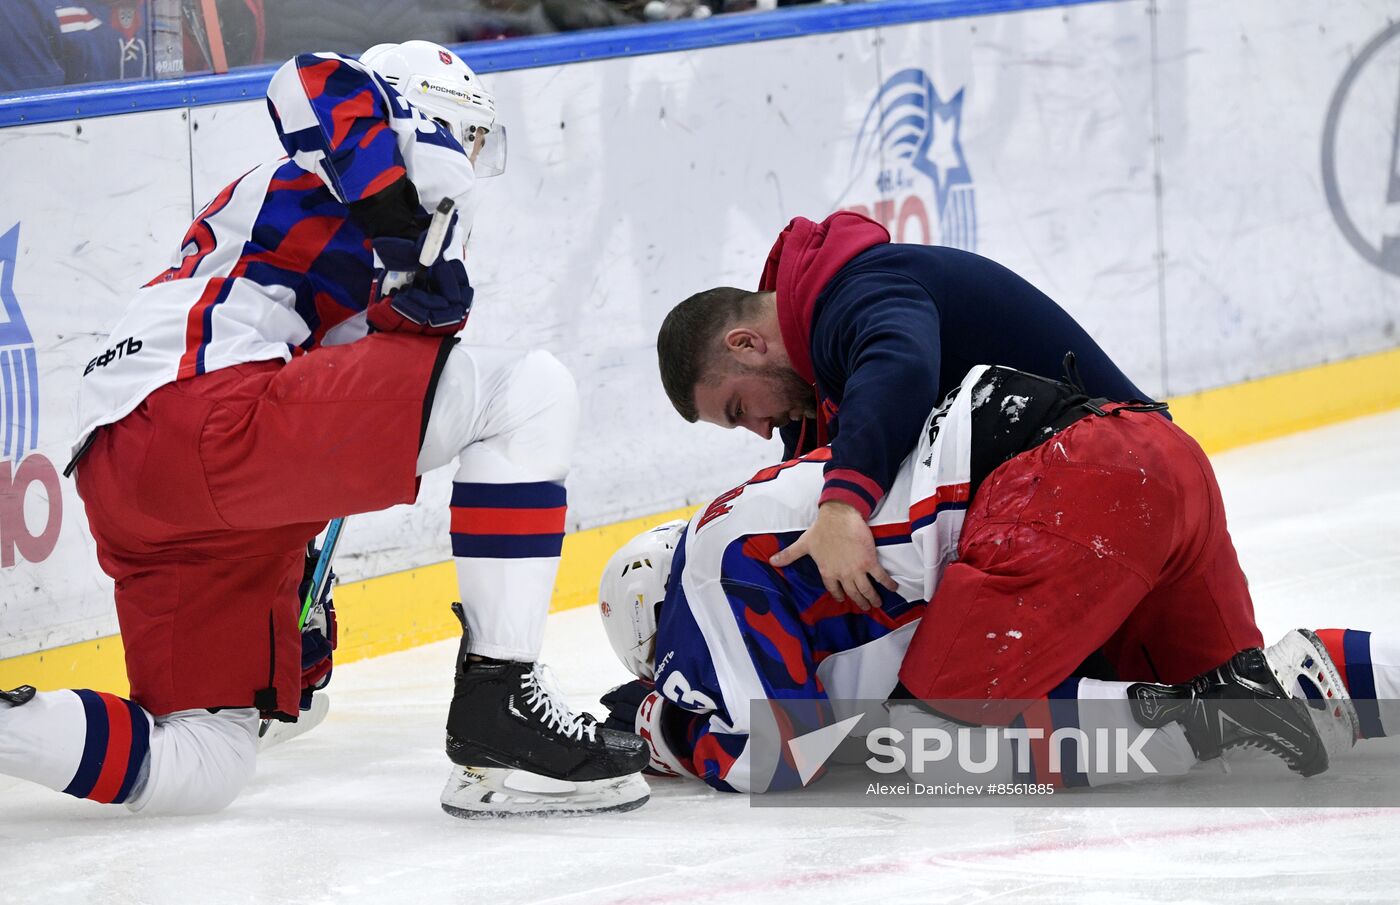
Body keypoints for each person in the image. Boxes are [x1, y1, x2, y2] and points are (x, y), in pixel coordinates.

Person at [0, 40, 647, 819]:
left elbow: (352, 408)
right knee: (529, 393)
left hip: (131, 471)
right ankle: (500, 698)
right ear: (421, 112)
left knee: (205, 757)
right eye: (465, 133)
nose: (471, 158)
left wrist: (303, 580)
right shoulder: (348, 162)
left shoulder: (317, 216)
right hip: (204, 413)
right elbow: (308, 77)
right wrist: (393, 211)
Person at [598, 363, 1384, 792]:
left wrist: (658, 726)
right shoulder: (769, 520)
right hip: (1138, 458)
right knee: (1254, 694)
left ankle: (1199, 718)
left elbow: (774, 758)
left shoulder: (709, 567)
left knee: (930, 740)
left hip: (1063, 493)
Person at [656, 210, 1159, 612]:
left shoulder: (858, 291)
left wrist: (842, 507)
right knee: (1221, 710)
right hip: (1112, 490)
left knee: (938, 700)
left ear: (746, 344)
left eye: (740, 409)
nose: (760, 431)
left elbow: (898, 366)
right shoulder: (815, 369)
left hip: (1126, 473)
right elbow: (802, 476)